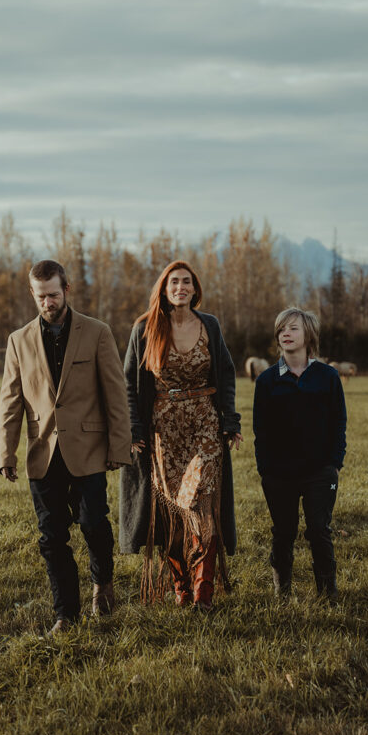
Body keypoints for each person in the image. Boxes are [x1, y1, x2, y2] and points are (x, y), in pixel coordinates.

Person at [0, 260, 131, 634]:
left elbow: (116, 394)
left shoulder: (97, 332)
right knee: (52, 536)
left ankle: (102, 582)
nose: (47, 302)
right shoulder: (17, 341)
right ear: (32, 294)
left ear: (66, 290)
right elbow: (10, 403)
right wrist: (5, 454)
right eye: (40, 296)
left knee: (93, 524)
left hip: (89, 447)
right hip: (43, 451)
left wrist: (119, 447)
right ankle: (65, 614)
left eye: (53, 295)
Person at [119, 261, 243, 612]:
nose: (181, 287)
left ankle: (203, 593)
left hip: (204, 424)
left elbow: (228, 374)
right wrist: (135, 428)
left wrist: (229, 421)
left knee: (203, 508)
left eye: (187, 282)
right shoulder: (145, 328)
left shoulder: (210, 326)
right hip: (162, 429)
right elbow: (130, 381)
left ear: (195, 288)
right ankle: (181, 587)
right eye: (174, 282)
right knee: (172, 513)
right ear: (163, 287)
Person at [253, 308, 347, 603]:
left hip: (320, 471)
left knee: (319, 529)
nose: (286, 334)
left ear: (308, 335)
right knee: (284, 532)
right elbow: (261, 430)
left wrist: (334, 463)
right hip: (279, 474)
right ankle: (283, 593)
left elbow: (338, 421)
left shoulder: (327, 376)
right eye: (281, 329)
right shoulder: (267, 381)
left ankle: (327, 592)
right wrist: (266, 469)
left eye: (292, 328)